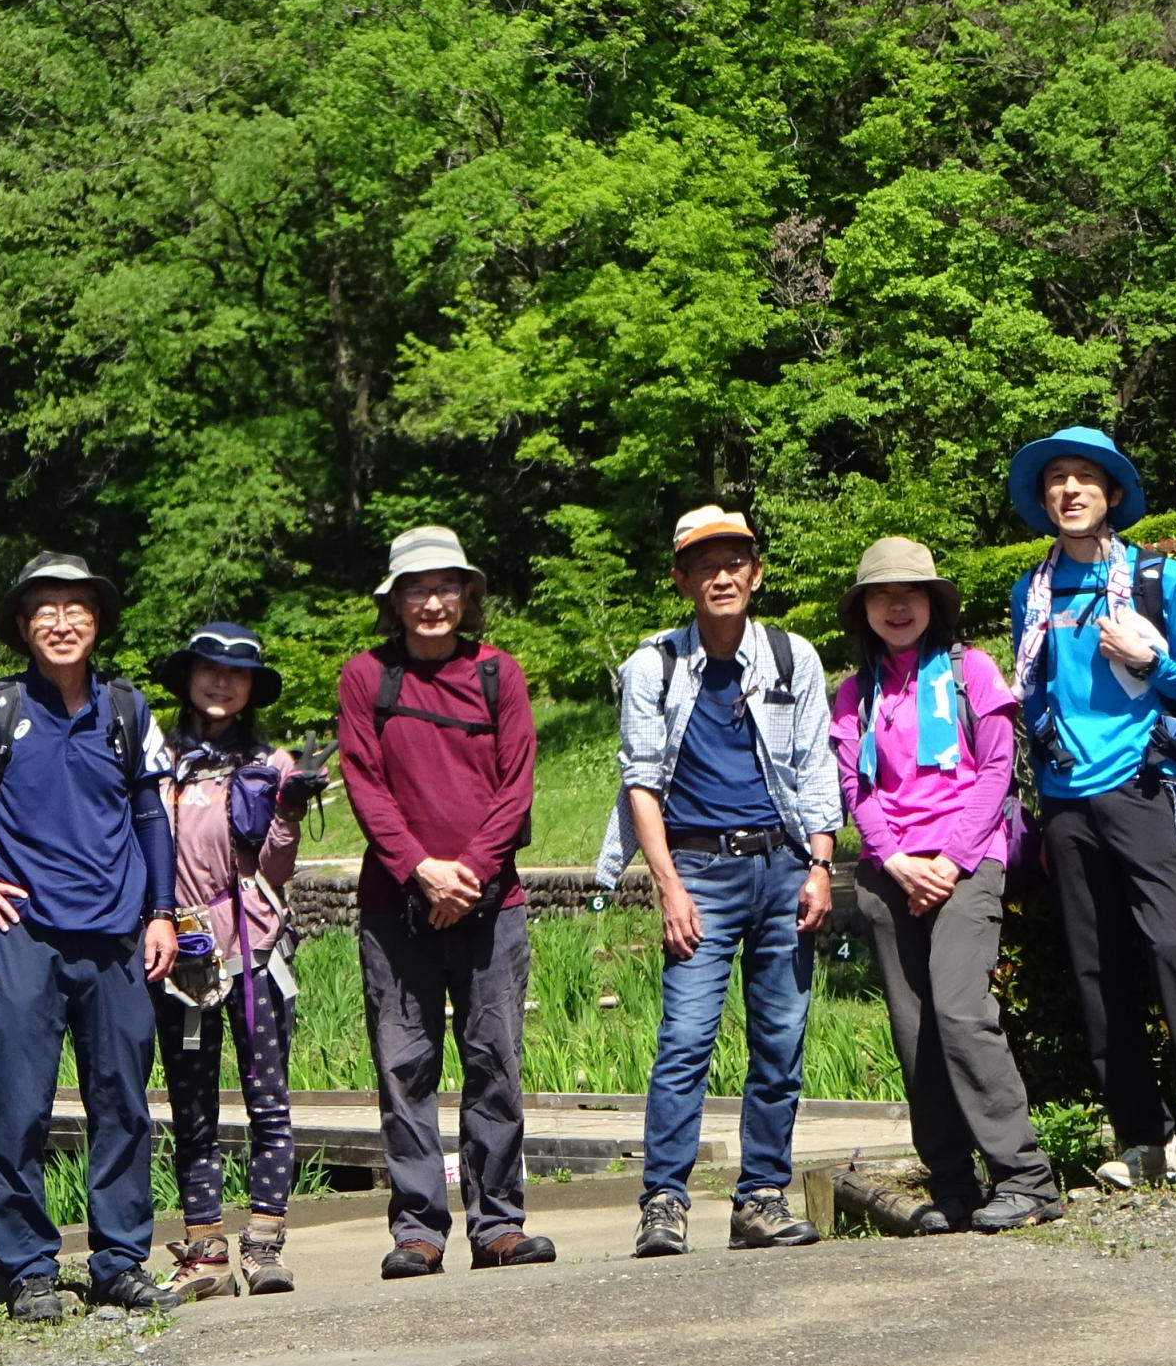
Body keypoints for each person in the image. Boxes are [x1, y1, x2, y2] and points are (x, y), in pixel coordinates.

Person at [0, 553, 181, 1321]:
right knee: (19, 1107)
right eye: (45, 610)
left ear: (98, 622)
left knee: (122, 1104)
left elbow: (153, 814)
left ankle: (120, 1261)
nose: (62, 622)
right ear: (23, 627)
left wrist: (163, 911)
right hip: (25, 937)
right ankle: (27, 1270)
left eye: (77, 609)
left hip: (120, 936)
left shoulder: (128, 711)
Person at [1005, 425, 1176, 1191]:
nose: (1070, 491)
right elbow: (1034, 695)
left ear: (1113, 493)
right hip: (1065, 799)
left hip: (1144, 787)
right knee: (1096, 971)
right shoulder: (1034, 590)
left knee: (1173, 949)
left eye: (1085, 477)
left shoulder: (1164, 580)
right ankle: (1144, 1137)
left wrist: (1152, 660)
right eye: (1056, 479)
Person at [596, 506, 836, 1259]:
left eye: (735, 562)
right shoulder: (653, 666)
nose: (722, 576)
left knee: (780, 1038)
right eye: (706, 565)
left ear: (756, 573)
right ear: (682, 580)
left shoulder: (793, 658)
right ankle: (664, 1201)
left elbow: (817, 765)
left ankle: (759, 1196)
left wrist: (821, 865)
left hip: (782, 866)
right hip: (698, 868)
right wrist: (668, 887)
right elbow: (640, 782)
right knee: (687, 1038)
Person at [831, 536, 1063, 1233]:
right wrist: (895, 857)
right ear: (864, 609)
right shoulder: (854, 692)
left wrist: (951, 861)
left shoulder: (973, 673)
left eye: (910, 593)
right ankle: (953, 1186)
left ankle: (1026, 1177)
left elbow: (996, 770)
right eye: (881, 595)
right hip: (889, 872)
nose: (897, 606)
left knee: (962, 1011)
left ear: (934, 602)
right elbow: (854, 785)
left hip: (968, 863)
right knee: (916, 1032)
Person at [337, 525, 551, 1278]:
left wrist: (468, 875)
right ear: (393, 602)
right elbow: (365, 784)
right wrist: (421, 871)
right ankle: (418, 1231)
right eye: (416, 589)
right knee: (405, 1067)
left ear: (468, 594)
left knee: (495, 1061)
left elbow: (515, 785)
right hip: (396, 907)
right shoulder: (366, 677)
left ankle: (498, 1223)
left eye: (446, 587)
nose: (432, 602)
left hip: (494, 903)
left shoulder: (501, 673)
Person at [148, 622, 317, 1298]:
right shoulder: (155, 759)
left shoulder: (271, 764)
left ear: (252, 690)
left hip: (251, 944)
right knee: (191, 1105)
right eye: (208, 669)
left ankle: (266, 1243)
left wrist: (290, 811)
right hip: (175, 945)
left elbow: (277, 868)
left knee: (266, 1099)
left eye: (237, 673)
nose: (221, 682)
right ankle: (205, 1247)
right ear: (188, 677)